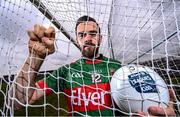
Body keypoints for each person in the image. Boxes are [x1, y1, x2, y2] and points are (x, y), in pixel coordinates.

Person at [9, 15, 176, 116]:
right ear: (77, 40)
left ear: (100, 38)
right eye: (82, 35)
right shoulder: (66, 71)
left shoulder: (118, 68)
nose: (88, 38)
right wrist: (35, 58)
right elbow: (18, 101)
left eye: (93, 34)